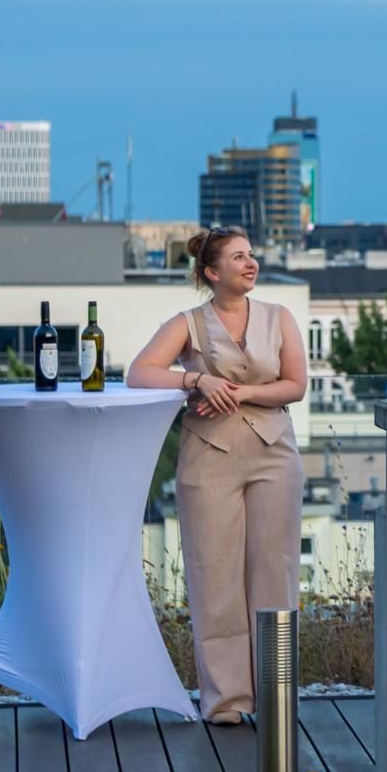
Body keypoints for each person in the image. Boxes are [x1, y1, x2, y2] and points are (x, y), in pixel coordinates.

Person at [128, 226, 306, 725]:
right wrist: (196, 379)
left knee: (276, 573)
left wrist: (240, 392)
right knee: (215, 576)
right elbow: (139, 373)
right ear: (212, 272)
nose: (250, 264)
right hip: (209, 457)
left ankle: (277, 695)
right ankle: (226, 701)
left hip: (275, 454)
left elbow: (295, 386)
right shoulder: (187, 323)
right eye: (237, 257)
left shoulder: (280, 317)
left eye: (251, 255)